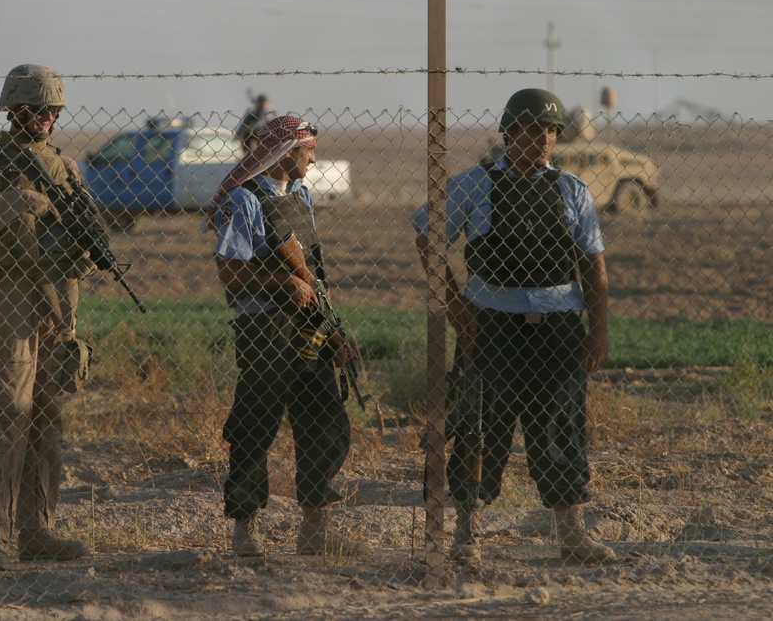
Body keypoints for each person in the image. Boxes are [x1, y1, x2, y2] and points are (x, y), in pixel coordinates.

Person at [414, 88, 616, 565]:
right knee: (481, 425)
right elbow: (428, 237)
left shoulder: (572, 190)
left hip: (559, 327)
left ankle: (571, 535)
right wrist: (456, 304)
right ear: (509, 132)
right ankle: (467, 535)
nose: (542, 138)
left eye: (549, 130)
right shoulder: (473, 184)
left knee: (561, 426)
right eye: (530, 128)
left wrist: (599, 328)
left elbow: (594, 266)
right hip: (491, 328)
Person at [206, 115, 370, 558]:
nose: (314, 158)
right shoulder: (246, 199)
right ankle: (246, 530)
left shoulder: (301, 196)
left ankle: (314, 529)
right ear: (285, 153)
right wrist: (283, 283)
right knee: (254, 427)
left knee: (324, 423)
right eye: (307, 149)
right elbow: (230, 271)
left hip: (309, 327)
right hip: (265, 329)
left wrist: (333, 331)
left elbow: (313, 269)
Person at [0, 64, 95, 571]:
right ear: (14, 110)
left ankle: (37, 531)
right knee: (3, 418)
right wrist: (13, 203)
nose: (46, 120)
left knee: (47, 423)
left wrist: (84, 252)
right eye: (37, 111)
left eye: (52, 112)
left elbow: (84, 231)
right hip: (12, 295)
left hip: (59, 299)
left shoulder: (67, 167)